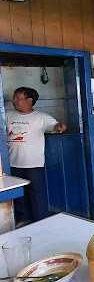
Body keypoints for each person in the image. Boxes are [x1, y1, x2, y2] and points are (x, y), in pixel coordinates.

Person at [6, 87, 67, 223]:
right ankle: (22, 220)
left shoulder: (41, 117)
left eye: (17, 98)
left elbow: (56, 126)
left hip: (33, 164)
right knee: (18, 197)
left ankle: (40, 222)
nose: (14, 101)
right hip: (12, 163)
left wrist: (60, 127)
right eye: (14, 98)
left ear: (29, 100)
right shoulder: (8, 115)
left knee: (37, 195)